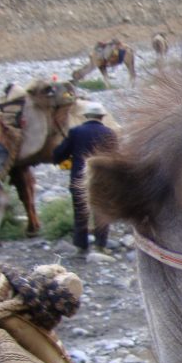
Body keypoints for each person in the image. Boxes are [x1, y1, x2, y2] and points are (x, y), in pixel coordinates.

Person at [52, 102, 117, 255]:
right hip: (102, 179)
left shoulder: (76, 132)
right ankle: (101, 245)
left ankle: (81, 246)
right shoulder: (110, 133)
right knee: (101, 211)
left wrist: (58, 156)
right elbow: (115, 157)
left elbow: (60, 153)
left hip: (79, 178)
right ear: (102, 117)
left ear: (86, 117)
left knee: (80, 211)